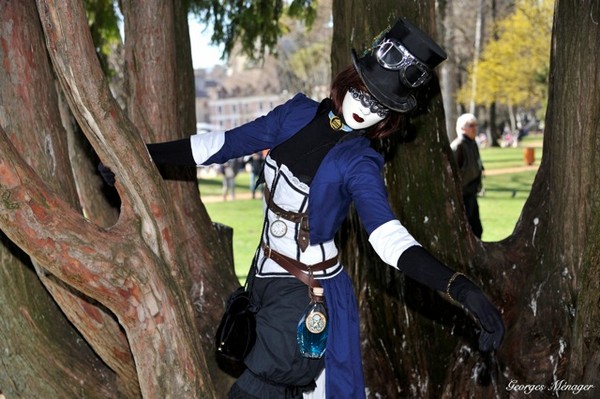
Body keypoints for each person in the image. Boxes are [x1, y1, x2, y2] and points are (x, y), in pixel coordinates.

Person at [104, 17, 504, 398]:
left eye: (381, 106)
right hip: (262, 276)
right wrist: (137, 156)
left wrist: (460, 288)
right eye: (363, 91)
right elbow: (222, 145)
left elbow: (386, 238)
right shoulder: (297, 114)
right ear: (349, 78)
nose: (366, 108)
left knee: (260, 388)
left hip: (307, 293)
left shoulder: (359, 161)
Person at [451, 113, 484, 238]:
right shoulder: (458, 145)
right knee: (468, 229)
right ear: (462, 128)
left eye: (475, 125)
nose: (474, 128)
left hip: (472, 192)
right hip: (463, 195)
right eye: (471, 125)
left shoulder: (472, 143)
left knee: (477, 228)